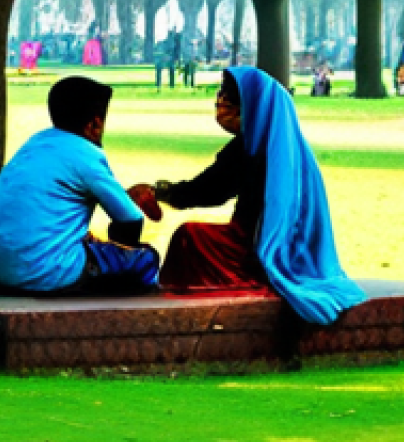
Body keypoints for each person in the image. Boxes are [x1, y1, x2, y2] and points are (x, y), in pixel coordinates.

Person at [136, 67, 366, 325]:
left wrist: (159, 193)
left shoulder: (250, 150)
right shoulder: (292, 150)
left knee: (189, 236)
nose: (220, 103)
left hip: (254, 249)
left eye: (229, 97)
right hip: (296, 252)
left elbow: (208, 190)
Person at [0, 76, 162, 296]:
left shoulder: (33, 144)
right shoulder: (86, 153)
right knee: (146, 259)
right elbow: (130, 218)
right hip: (46, 273)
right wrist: (120, 244)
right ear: (95, 124)